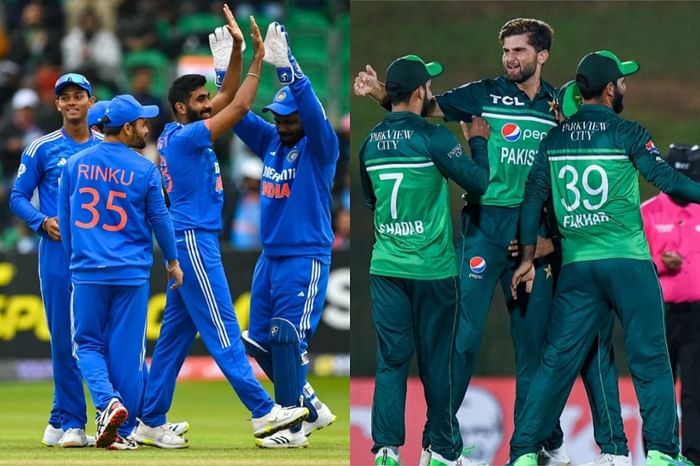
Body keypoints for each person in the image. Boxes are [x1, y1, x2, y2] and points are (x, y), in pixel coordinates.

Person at [355, 19, 627, 466]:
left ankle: (533, 445)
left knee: (533, 346)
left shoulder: (560, 105)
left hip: (532, 237)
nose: (510, 59)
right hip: (483, 228)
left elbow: (570, 169)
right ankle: (437, 445)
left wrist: (551, 239)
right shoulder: (483, 94)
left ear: (542, 56)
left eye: (519, 51)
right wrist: (381, 92)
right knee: (461, 341)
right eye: (506, 51)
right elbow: (421, 109)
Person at [509, 50, 699, 466]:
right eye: (623, 82)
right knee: (650, 355)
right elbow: (667, 180)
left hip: (578, 269)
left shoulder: (553, 139)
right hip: (628, 262)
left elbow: (531, 199)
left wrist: (526, 256)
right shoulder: (627, 132)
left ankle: (523, 451)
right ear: (610, 88)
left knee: (556, 362)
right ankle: (664, 453)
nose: (625, 87)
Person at [132, 11, 308, 449]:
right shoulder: (187, 138)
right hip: (193, 239)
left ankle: (150, 420)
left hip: (193, 237)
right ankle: (264, 413)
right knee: (224, 328)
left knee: (173, 336)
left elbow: (229, 94)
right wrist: (256, 61)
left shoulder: (185, 132)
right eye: (199, 100)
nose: (208, 103)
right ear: (180, 108)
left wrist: (239, 53)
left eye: (206, 98)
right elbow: (242, 104)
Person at [361, 54, 490, 466]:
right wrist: (479, 141)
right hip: (433, 270)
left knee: (392, 360)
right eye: (428, 85)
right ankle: (442, 452)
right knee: (438, 363)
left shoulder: (369, 142)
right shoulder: (435, 138)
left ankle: (385, 449)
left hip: (386, 268)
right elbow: (478, 183)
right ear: (420, 92)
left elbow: (370, 199)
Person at [233, 21, 339, 449]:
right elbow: (239, 117)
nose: (280, 123)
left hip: (305, 254)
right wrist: (227, 74)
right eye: (277, 117)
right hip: (270, 257)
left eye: (288, 117)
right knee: (258, 341)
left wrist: (290, 70)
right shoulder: (274, 141)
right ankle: (310, 408)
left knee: (286, 337)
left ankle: (293, 429)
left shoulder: (321, 147)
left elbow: (311, 113)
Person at [56, 94, 183, 450]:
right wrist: (172, 261)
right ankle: (123, 433)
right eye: (142, 123)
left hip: (88, 271)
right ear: (127, 128)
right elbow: (161, 219)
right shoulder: (144, 168)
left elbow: (66, 222)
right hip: (131, 274)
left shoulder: (75, 164)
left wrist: (75, 258)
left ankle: (107, 402)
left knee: (87, 345)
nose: (147, 127)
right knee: (128, 354)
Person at [9, 72, 101, 448]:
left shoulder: (106, 147)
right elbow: (17, 196)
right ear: (58, 104)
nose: (73, 102)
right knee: (65, 338)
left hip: (99, 252)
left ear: (91, 101)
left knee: (95, 338)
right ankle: (74, 424)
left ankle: (57, 417)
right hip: (57, 252)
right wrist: (42, 221)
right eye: (66, 97)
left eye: (79, 95)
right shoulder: (41, 148)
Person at [641, 143, 700, 465]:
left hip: (697, 315)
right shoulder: (648, 212)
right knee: (657, 389)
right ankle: (658, 454)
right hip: (658, 314)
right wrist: (659, 262)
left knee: (695, 392)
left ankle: (692, 457)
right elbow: (632, 262)